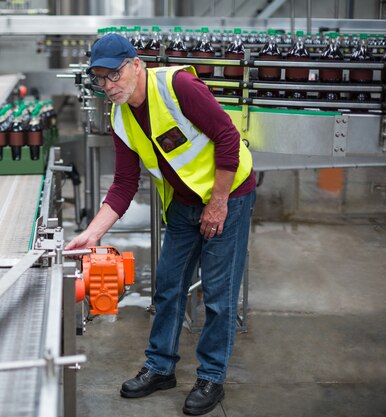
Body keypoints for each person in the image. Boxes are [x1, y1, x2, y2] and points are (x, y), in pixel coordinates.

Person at [65, 33, 256, 416]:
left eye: (113, 75)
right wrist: (92, 232)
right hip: (183, 205)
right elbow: (122, 184)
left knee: (218, 297)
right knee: (169, 287)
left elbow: (227, 137)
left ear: (137, 65)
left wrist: (218, 202)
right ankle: (160, 367)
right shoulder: (119, 116)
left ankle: (211, 376)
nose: (108, 86)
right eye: (100, 79)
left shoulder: (177, 86)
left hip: (228, 196)